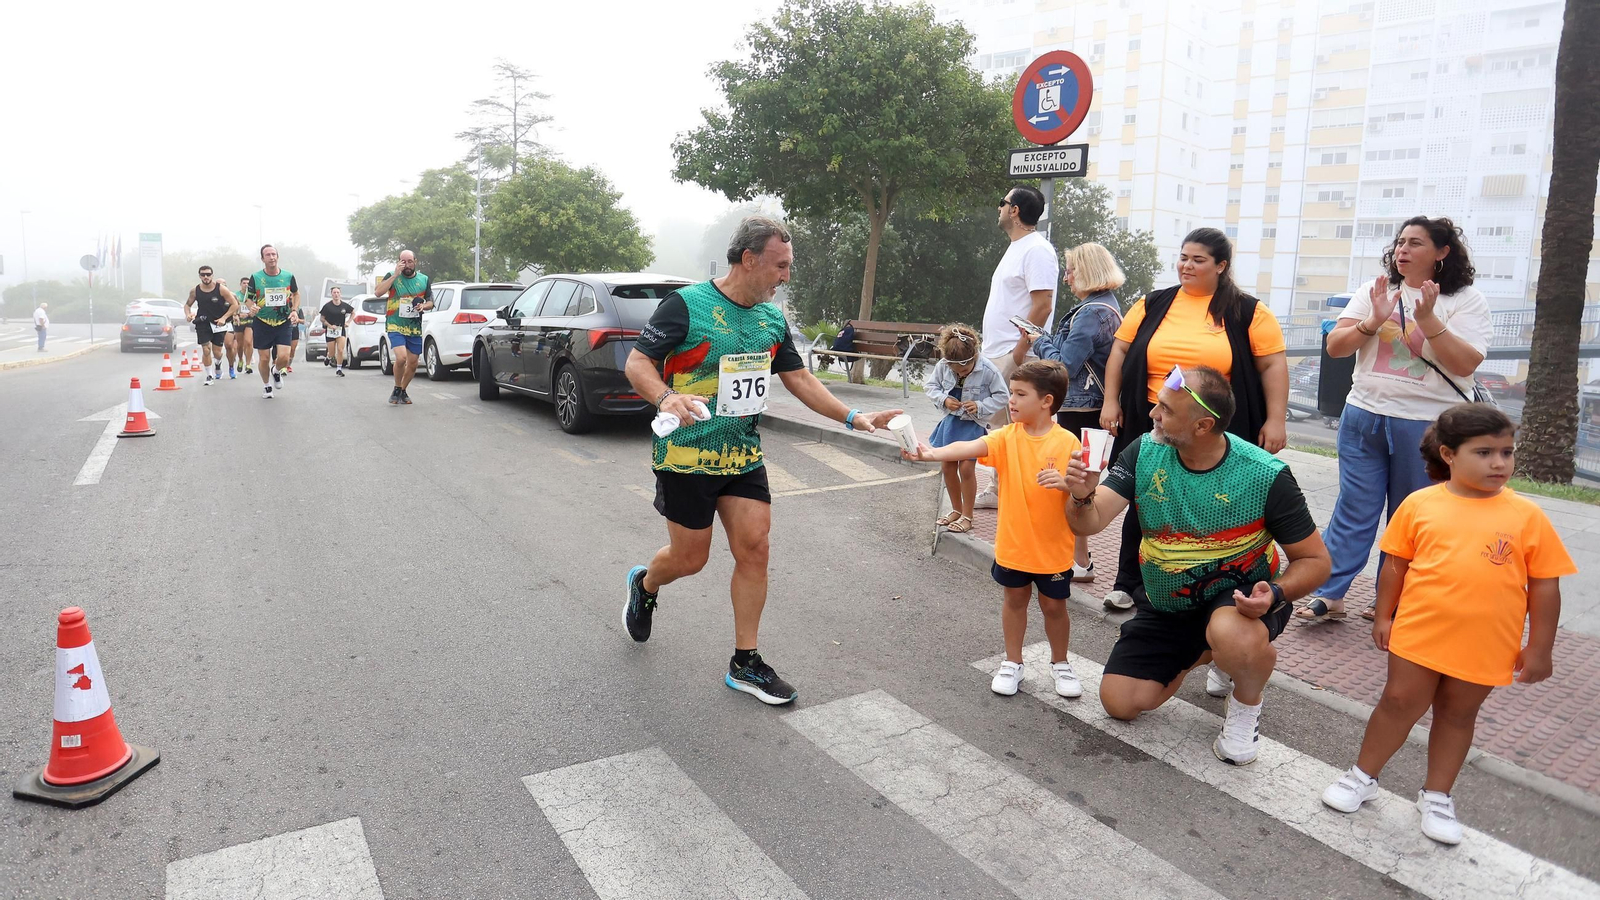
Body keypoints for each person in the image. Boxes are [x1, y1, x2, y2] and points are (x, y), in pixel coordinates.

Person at [621, 216, 901, 706]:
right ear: (749, 259)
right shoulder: (686, 306)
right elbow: (637, 363)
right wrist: (666, 398)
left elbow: (799, 380)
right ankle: (645, 583)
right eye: (780, 266)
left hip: (742, 455)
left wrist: (854, 416)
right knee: (690, 559)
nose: (786, 277)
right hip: (686, 456)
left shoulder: (772, 321)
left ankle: (745, 662)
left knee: (755, 549)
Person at [1320, 404, 1573, 844]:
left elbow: (1545, 588)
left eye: (1507, 452)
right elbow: (1395, 565)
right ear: (1449, 454)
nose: (1499, 463)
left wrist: (1540, 648)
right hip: (1419, 630)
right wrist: (1383, 615)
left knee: (1458, 714)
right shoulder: (1420, 504)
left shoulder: (1527, 516)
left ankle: (1436, 795)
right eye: (1485, 452)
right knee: (1398, 701)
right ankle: (1363, 776)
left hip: (1487, 640)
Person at [1064, 365, 1330, 766]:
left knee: (1234, 635)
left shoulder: (1264, 475)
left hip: (1238, 598)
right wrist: (1081, 496)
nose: (1153, 413)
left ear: (1203, 424)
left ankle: (1244, 703)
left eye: (1167, 409)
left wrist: (1275, 593)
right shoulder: (1144, 450)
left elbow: (1315, 561)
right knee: (1120, 703)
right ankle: (1213, 651)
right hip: (1167, 602)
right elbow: (1090, 520)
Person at [1297, 216, 1493, 624]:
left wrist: (1429, 321)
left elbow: (1466, 362)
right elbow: (1335, 346)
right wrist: (1373, 319)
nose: (1403, 250)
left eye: (1416, 243)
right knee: (1354, 508)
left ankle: (1393, 597)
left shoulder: (1465, 300)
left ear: (1442, 252)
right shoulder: (1376, 290)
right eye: (1401, 242)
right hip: (1364, 415)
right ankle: (1331, 593)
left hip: (1425, 425)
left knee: (1409, 514)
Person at [1098, 228, 1289, 619]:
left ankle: (1216, 589)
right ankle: (1128, 584)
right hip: (1153, 417)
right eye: (1183, 256)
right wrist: (1110, 401)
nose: (1186, 265)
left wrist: (1275, 419)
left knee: (1215, 506)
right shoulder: (1153, 303)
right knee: (1143, 499)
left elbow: (1272, 365)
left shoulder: (1248, 311)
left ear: (1221, 266)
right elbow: (1120, 349)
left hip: (1208, 425)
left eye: (1198, 259)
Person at [908, 360, 1085, 698]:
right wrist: (930, 454)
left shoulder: (1068, 443)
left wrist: (1066, 484)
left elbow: (1084, 490)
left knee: (1054, 608)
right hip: (1013, 547)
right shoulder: (1006, 437)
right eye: (1012, 393)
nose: (1011, 401)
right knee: (1014, 600)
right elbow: (966, 448)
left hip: (1053, 549)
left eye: (1020, 394)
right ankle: (1012, 662)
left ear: (1047, 401)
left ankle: (1060, 663)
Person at [1015, 241, 1126, 584]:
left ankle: (1079, 559)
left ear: (1089, 271)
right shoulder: (1105, 307)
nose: (1067, 277)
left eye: (1072, 269)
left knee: (1079, 483)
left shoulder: (1092, 312)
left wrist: (1037, 338)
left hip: (1085, 409)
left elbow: (1065, 365)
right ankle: (1078, 557)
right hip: (1091, 409)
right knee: (1080, 481)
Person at [974, 185, 1058, 509]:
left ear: (1015, 211)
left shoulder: (1036, 250)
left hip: (1016, 353)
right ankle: (1000, 491)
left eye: (1002, 203)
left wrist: (1020, 350)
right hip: (1000, 350)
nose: (999, 208)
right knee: (1000, 425)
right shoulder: (1017, 248)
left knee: (1018, 426)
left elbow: (1043, 305)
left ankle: (1022, 496)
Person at [923, 324, 1008, 534]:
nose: (960, 372)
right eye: (956, 370)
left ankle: (967, 516)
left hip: (973, 425)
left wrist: (980, 406)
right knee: (947, 467)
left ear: (975, 355)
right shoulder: (944, 365)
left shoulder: (988, 369)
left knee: (967, 469)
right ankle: (956, 510)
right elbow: (931, 387)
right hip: (952, 423)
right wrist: (944, 400)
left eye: (964, 369)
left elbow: (1002, 395)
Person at [373, 250, 433, 405]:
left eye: (410, 261)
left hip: (414, 326)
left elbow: (430, 301)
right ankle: (397, 386)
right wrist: (394, 275)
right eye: (403, 261)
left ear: (415, 261)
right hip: (395, 324)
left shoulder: (424, 279)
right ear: (398, 262)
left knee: (413, 363)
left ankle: (401, 390)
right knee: (401, 358)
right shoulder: (392, 276)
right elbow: (378, 292)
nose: (407, 265)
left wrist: (424, 306)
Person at [246, 244, 301, 399]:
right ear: (263, 259)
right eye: (268, 255)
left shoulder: (288, 276)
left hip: (283, 321)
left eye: (273, 254)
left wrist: (295, 310)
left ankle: (276, 371)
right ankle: (267, 386)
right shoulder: (256, 277)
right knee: (264, 358)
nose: (271, 257)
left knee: (284, 357)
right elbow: (248, 298)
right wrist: (252, 307)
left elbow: (296, 294)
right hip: (262, 321)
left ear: (277, 257)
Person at [183, 265, 241, 385]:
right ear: (199, 276)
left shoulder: (221, 289)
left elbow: (234, 304)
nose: (206, 277)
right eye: (203, 274)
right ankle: (209, 375)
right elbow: (187, 305)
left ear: (212, 275)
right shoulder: (195, 290)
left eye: (208, 274)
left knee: (217, 352)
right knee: (206, 349)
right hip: (202, 322)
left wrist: (224, 318)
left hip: (218, 323)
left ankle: (218, 362)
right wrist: (188, 314)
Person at [320, 287, 354, 376]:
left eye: (338, 292)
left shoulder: (344, 305)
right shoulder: (327, 306)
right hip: (330, 330)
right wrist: (330, 325)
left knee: (340, 350)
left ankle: (339, 369)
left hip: (340, 329)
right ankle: (328, 357)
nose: (336, 294)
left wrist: (348, 322)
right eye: (334, 292)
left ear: (340, 294)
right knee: (332, 353)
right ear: (331, 294)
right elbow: (322, 318)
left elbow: (353, 312)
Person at [232, 276, 256, 375]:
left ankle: (248, 364)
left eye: (248, 283)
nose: (246, 285)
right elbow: (232, 307)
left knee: (249, 342)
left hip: (249, 321)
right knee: (240, 344)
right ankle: (241, 359)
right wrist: (236, 314)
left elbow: (257, 306)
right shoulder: (235, 295)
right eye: (244, 283)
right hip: (238, 321)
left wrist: (252, 312)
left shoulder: (253, 295)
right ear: (240, 284)